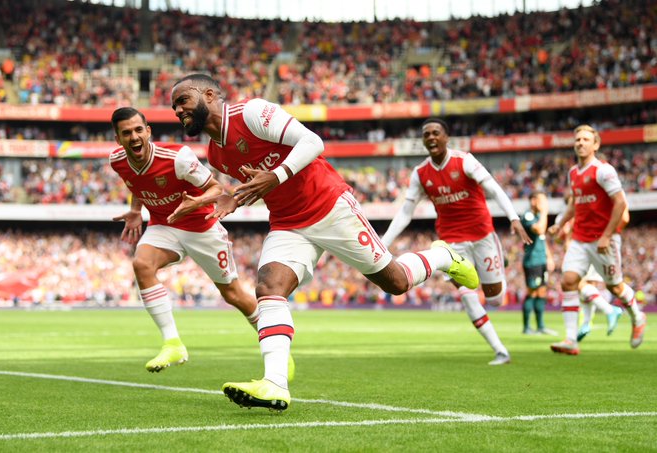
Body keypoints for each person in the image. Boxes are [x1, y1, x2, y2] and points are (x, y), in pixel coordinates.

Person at [169, 73, 479, 412]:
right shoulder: (216, 154)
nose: (178, 110)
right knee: (269, 286)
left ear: (210, 94)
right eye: (174, 106)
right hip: (288, 222)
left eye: (182, 100)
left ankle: (442, 256)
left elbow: (313, 142)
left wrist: (276, 175)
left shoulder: (252, 113)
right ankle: (275, 383)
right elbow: (263, 184)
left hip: (329, 206)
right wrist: (234, 198)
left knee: (395, 281)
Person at [109, 106, 263, 373]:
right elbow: (135, 180)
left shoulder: (177, 157)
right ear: (117, 139)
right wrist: (136, 211)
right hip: (164, 225)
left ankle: (272, 338)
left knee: (233, 294)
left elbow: (217, 188)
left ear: (148, 132)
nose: (133, 137)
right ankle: (173, 344)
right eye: (126, 133)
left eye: (138, 130)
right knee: (142, 264)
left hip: (201, 226)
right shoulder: (117, 161)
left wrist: (196, 203)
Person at [381, 118, 531, 366]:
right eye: (426, 134)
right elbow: (406, 212)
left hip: (483, 236)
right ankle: (500, 350)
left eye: (436, 133)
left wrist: (513, 217)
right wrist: (383, 242)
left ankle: (491, 286)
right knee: (467, 294)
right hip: (451, 244)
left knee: (495, 298)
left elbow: (493, 188)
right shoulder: (420, 174)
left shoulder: (465, 161)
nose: (431, 137)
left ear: (446, 137)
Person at [547, 125, 646, 355]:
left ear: (596, 145)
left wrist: (607, 235)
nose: (580, 143)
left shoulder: (603, 171)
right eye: (578, 139)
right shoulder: (573, 173)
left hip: (603, 240)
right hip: (580, 238)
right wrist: (559, 223)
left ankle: (637, 316)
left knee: (615, 286)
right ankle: (571, 340)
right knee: (568, 280)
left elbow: (621, 203)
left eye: (586, 139)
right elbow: (575, 204)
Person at [554, 197, 627, 343]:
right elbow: (558, 239)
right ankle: (586, 323)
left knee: (580, 285)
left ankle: (609, 310)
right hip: (584, 251)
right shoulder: (564, 217)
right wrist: (565, 232)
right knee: (586, 290)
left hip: (584, 252)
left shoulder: (585, 213)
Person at [520, 191, 557, 336]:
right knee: (532, 292)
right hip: (532, 260)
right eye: (542, 200)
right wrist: (544, 212)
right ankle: (527, 327)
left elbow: (542, 238)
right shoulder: (528, 215)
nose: (544, 204)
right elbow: (540, 229)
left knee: (542, 292)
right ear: (533, 200)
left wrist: (549, 257)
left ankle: (541, 326)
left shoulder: (537, 216)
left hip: (541, 260)